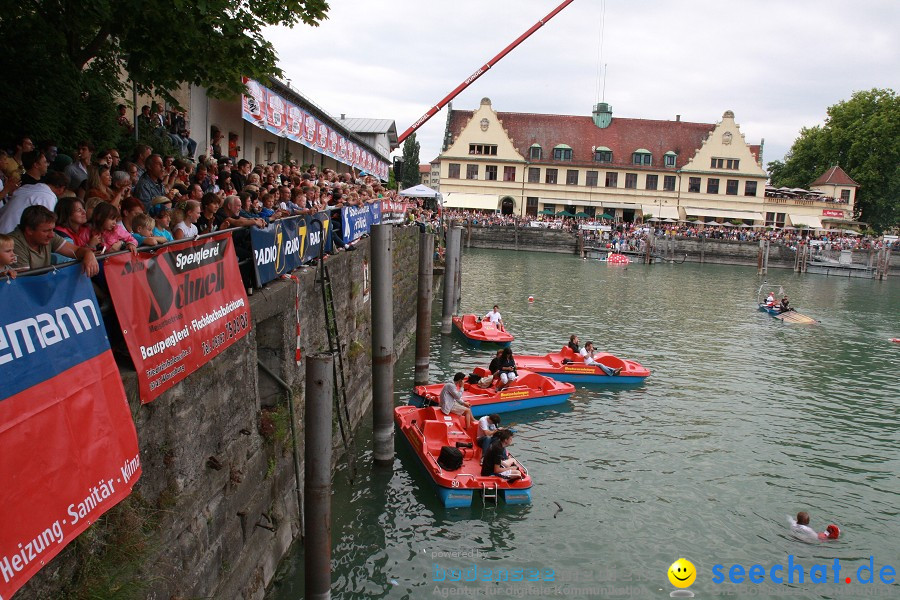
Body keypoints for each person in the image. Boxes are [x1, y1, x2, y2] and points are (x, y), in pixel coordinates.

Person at [9, 206, 99, 275]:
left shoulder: (49, 235)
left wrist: (88, 253)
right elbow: (26, 282)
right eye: (46, 231)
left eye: (52, 229)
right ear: (29, 230)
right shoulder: (13, 244)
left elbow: (75, 251)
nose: (51, 235)